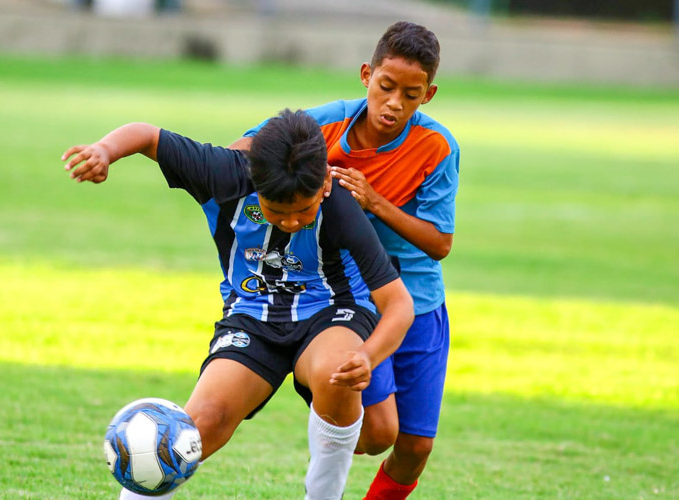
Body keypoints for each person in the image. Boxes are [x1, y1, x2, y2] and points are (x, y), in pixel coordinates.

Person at [61, 109, 414, 500]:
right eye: (277, 212)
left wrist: (367, 355)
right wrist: (104, 151)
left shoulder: (340, 206)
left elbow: (398, 304)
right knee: (200, 423)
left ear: (325, 181)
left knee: (336, 372)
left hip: (330, 310)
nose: (293, 222)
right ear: (254, 179)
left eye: (304, 210)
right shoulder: (224, 173)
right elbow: (147, 135)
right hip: (252, 315)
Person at [232, 22, 459, 499]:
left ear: (429, 95)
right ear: (366, 75)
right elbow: (246, 150)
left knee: (414, 445)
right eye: (386, 87)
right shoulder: (326, 124)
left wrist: (375, 203)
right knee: (378, 433)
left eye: (411, 95)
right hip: (355, 299)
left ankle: (333, 424)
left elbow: (440, 243)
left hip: (418, 301)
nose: (395, 103)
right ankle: (329, 418)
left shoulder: (437, 147)